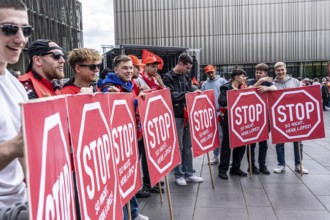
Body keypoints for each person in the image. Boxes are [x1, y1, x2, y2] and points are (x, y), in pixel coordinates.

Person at [98, 55, 148, 220]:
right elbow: (113, 106)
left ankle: (133, 212)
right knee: (121, 178)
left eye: (130, 67)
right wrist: (137, 101)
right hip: (117, 140)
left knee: (130, 174)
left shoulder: (131, 84)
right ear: (115, 70)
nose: (128, 71)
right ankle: (125, 215)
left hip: (129, 136)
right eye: (124, 68)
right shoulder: (109, 86)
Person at [0, 0, 32, 218]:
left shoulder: (16, 86)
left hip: (21, 204)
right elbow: (18, 146)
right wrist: (12, 148)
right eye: (9, 29)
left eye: (26, 30)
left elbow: (24, 156)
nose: (21, 39)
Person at [162, 53, 204, 186]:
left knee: (187, 146)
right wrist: (189, 94)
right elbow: (171, 95)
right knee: (179, 146)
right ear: (180, 63)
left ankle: (189, 173)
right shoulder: (168, 77)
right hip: (176, 115)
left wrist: (196, 90)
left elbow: (189, 88)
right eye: (187, 67)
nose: (188, 70)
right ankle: (179, 174)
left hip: (186, 114)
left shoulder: (184, 76)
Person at [272, 62, 308, 174]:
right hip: (280, 117)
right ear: (275, 71)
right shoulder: (272, 84)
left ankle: (298, 164)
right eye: (278, 70)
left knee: (298, 142)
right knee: (279, 142)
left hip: (295, 116)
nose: (280, 72)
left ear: (286, 70)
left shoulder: (296, 82)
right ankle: (281, 164)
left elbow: (303, 96)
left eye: (282, 69)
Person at [246, 63, 277, 175]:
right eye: (257, 72)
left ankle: (262, 165)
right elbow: (249, 89)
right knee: (251, 144)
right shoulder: (250, 81)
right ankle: (251, 166)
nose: (258, 74)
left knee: (263, 143)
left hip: (265, 118)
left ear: (265, 73)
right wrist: (260, 82)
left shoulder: (267, 83)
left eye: (261, 73)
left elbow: (274, 88)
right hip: (252, 117)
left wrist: (267, 87)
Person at [217, 69, 248, 180]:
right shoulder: (226, 87)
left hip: (241, 120)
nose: (245, 79)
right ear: (236, 77)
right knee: (227, 145)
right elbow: (222, 101)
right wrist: (234, 95)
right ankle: (223, 170)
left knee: (241, 144)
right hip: (229, 120)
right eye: (243, 76)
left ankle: (235, 168)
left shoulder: (243, 88)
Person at [200, 64, 227, 165]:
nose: (211, 74)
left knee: (223, 135)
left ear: (215, 71)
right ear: (206, 73)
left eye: (212, 72)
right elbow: (202, 98)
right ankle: (216, 156)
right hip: (211, 113)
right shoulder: (204, 84)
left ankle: (224, 157)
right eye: (208, 73)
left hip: (222, 111)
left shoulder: (222, 81)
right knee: (215, 135)